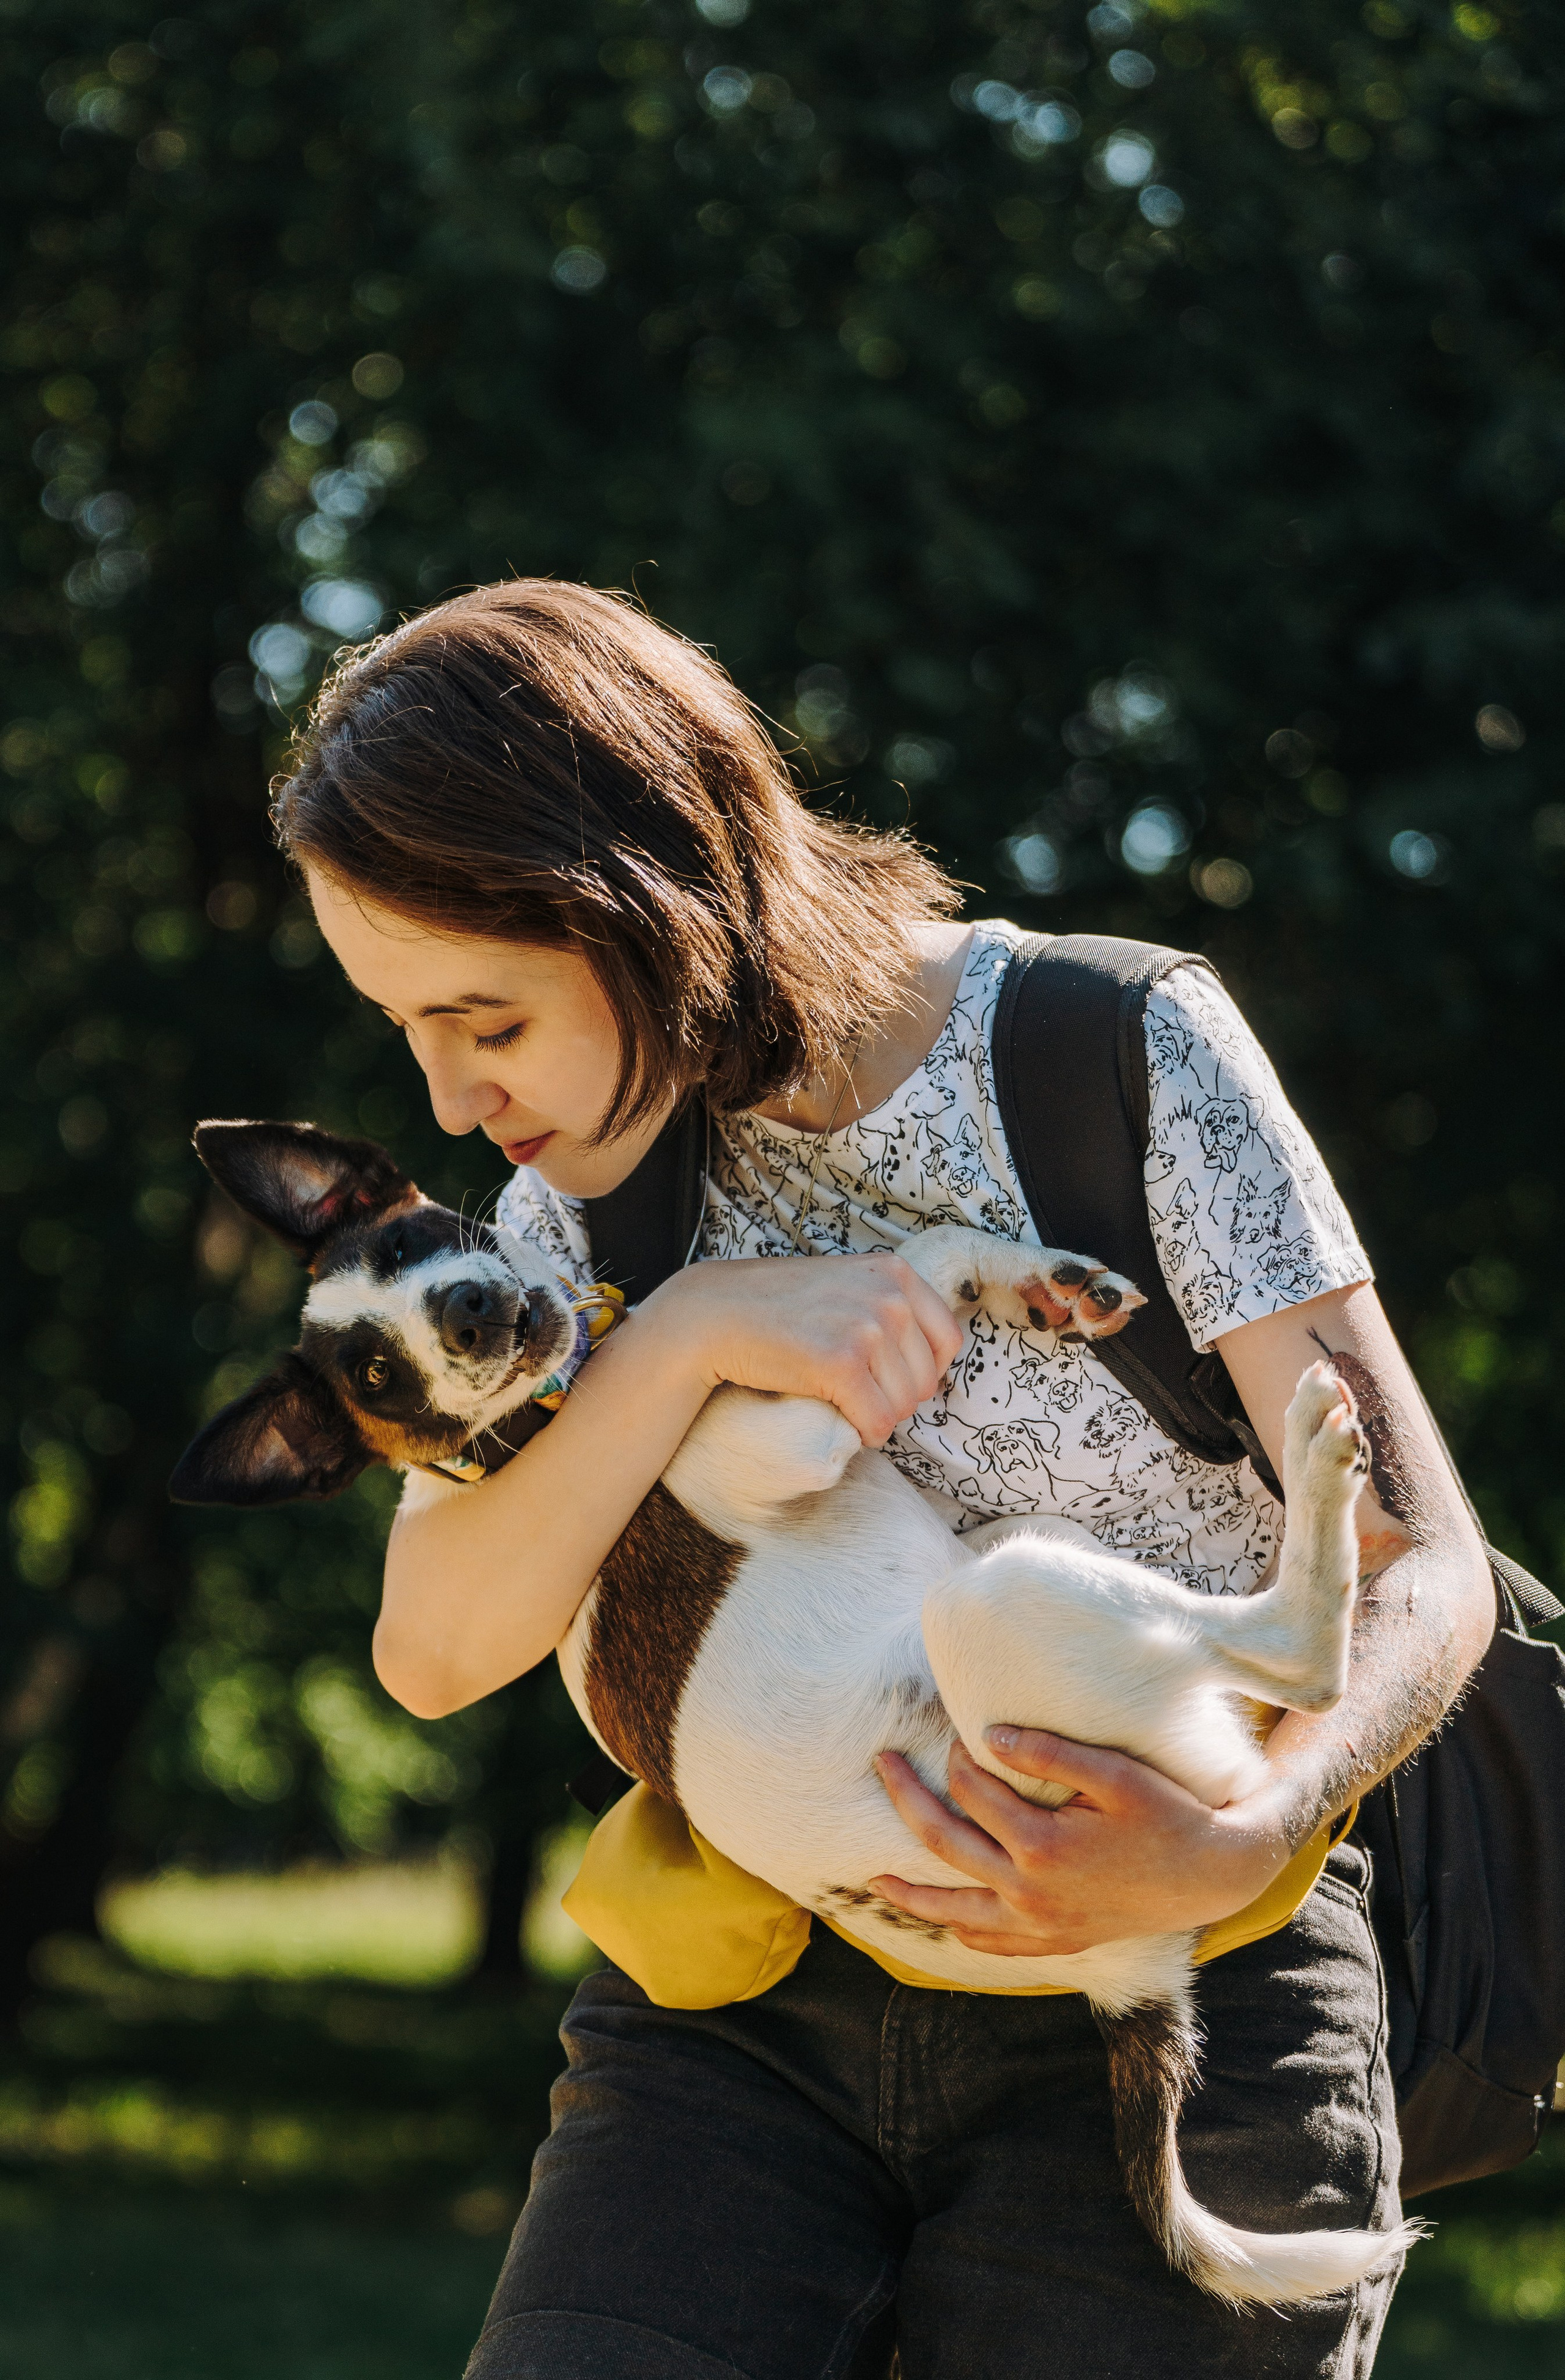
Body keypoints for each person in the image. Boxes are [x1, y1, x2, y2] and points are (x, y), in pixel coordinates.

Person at [273, 580, 1492, 2379]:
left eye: (489, 1019)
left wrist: (1239, 1830)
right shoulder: (567, 1211)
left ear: (647, 906)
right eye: (408, 1033)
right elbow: (438, 1653)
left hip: (1185, 1968)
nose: (454, 1101)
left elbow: (1425, 1559)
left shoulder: (1115, 1053)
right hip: (746, 1999)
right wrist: (688, 1329)